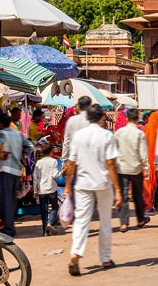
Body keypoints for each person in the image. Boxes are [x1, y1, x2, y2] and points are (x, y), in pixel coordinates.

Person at [63, 105, 121, 275]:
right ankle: (105, 258)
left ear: (87, 117)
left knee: (81, 220)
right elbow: (111, 163)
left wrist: (67, 185)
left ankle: (75, 254)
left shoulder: (79, 136)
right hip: (103, 183)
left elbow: (71, 163)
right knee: (105, 221)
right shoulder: (107, 136)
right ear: (102, 117)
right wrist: (117, 189)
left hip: (83, 183)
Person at [0, 109, 33, 238]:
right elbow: (30, 146)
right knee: (11, 198)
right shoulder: (18, 134)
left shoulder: (1, 134)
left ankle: (8, 227)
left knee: (4, 198)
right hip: (16, 171)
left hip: (4, 170)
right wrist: (21, 154)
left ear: (0, 123)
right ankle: (8, 224)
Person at [114, 108, 149, 232]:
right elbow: (143, 154)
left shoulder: (119, 132)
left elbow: (114, 150)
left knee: (123, 195)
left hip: (121, 167)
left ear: (127, 118)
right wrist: (147, 168)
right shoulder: (139, 134)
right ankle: (140, 219)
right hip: (136, 168)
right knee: (137, 194)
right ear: (137, 119)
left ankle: (124, 223)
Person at [33, 143, 61, 236]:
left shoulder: (38, 163)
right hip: (51, 189)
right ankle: (50, 222)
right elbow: (55, 175)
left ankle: (45, 231)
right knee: (55, 206)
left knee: (43, 211)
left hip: (41, 190)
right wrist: (62, 172)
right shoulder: (54, 161)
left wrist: (35, 191)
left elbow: (35, 177)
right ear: (52, 151)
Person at [61, 96, 93, 161]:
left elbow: (66, 141)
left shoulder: (71, 120)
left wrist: (64, 159)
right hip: (89, 158)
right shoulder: (92, 120)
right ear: (90, 106)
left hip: (73, 158)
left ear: (79, 106)